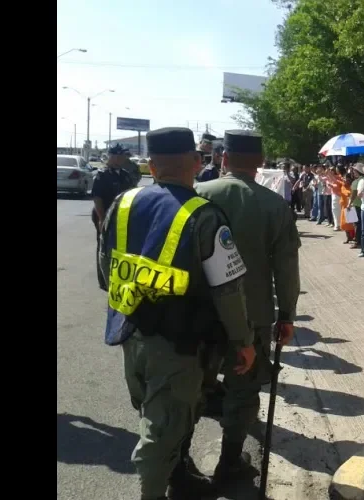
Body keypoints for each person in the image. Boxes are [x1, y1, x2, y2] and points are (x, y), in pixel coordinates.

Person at [98, 127, 257, 500]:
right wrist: (243, 342)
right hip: (179, 345)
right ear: (196, 162)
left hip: (130, 332)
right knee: (161, 430)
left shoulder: (121, 204)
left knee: (160, 414)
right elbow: (229, 290)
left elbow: (107, 272)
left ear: (151, 165)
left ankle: (179, 477)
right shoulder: (204, 216)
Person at [194, 129, 301, 484]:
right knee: (243, 390)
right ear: (260, 162)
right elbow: (286, 268)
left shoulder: (195, 195)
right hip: (253, 315)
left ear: (223, 158)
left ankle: (178, 464)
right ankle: (229, 461)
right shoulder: (274, 205)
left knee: (191, 388)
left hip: (198, 314)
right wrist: (286, 314)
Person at [92, 143, 135, 289]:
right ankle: (104, 281)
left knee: (120, 245)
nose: (124, 158)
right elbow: (97, 198)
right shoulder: (102, 174)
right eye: (121, 155)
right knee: (103, 246)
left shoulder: (124, 174)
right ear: (113, 156)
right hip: (104, 213)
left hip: (121, 214)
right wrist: (102, 218)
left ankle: (118, 275)